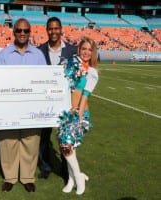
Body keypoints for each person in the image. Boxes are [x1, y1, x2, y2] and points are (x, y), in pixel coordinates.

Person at [0, 18, 47, 193]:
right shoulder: (4, 54)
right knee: (8, 142)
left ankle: (27, 177)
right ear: (14, 32)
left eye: (26, 30)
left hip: (31, 108)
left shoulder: (38, 55)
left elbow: (45, 81)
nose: (22, 33)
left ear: (30, 32)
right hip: (8, 107)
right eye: (19, 30)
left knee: (30, 142)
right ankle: (10, 177)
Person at [58, 37, 99, 195]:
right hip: (66, 113)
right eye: (84, 49)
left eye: (90, 50)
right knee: (66, 148)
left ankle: (78, 176)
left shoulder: (93, 73)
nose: (87, 52)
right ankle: (71, 179)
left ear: (93, 53)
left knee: (66, 147)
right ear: (79, 50)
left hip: (79, 114)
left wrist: (77, 117)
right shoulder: (71, 65)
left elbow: (84, 97)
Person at [37, 17, 77, 180]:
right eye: (50, 29)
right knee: (44, 137)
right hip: (45, 101)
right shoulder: (39, 50)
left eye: (56, 28)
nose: (53, 31)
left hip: (65, 102)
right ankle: (46, 166)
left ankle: (66, 168)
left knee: (65, 136)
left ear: (61, 29)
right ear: (47, 30)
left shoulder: (72, 51)